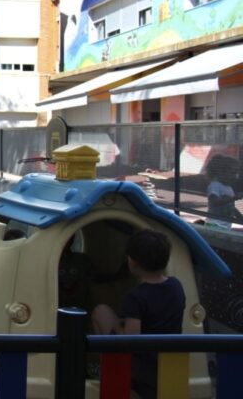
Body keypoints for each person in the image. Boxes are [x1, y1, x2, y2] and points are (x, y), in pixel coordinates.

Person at [91, 229, 185, 399]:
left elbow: (131, 340)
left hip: (143, 367)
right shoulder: (176, 285)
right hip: (169, 359)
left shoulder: (136, 297)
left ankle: (108, 373)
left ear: (132, 262)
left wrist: (119, 329)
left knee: (100, 312)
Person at [206, 154, 242, 229]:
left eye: (236, 173)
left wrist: (240, 217)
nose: (235, 177)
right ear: (221, 172)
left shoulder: (229, 188)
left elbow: (230, 207)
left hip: (225, 226)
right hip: (214, 225)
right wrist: (234, 197)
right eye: (233, 173)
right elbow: (214, 202)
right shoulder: (215, 185)